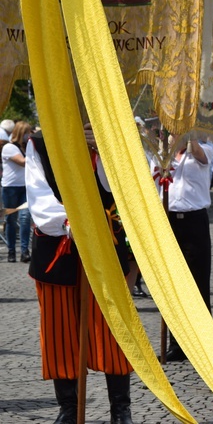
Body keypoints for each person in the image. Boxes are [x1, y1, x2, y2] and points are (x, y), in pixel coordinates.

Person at [26, 127, 134, 423]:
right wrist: (68, 221)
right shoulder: (39, 141)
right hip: (57, 246)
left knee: (114, 329)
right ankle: (69, 408)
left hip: (103, 245)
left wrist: (103, 150)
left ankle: (120, 408)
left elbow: (121, 186)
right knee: (59, 333)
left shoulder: (109, 129)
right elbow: (38, 194)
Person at [153, 134, 213, 362]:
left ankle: (202, 343)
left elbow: (200, 155)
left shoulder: (202, 150)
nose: (168, 136)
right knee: (172, 284)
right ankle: (176, 343)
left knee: (198, 283)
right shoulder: (160, 158)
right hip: (168, 220)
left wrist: (188, 135)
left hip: (194, 221)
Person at [2, 121, 33, 263]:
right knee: (11, 220)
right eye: (27, 132)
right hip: (10, 189)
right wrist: (34, 153)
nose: (29, 135)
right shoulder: (9, 147)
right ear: (21, 133)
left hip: (25, 187)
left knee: (25, 219)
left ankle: (25, 251)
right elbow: (22, 162)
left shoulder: (27, 147)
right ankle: (11, 251)